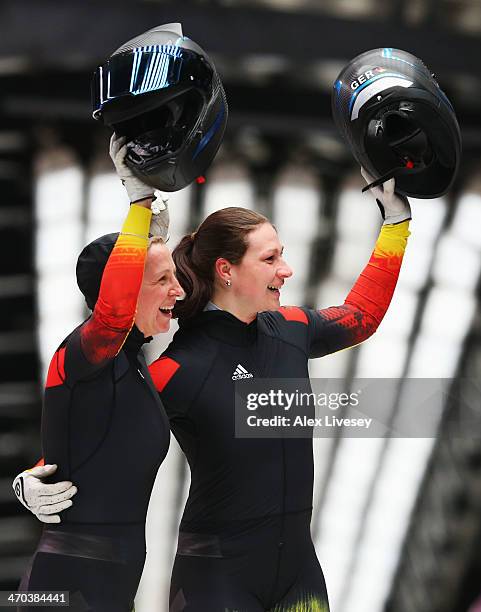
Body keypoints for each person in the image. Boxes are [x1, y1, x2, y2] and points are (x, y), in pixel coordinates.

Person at [16, 171, 411, 611]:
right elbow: (101, 436)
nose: (287, 269)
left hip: (299, 572)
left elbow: (361, 316)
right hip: (216, 578)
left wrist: (396, 224)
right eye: (270, 259)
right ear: (226, 270)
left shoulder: (293, 329)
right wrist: (33, 477)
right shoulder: (176, 369)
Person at [13, 135, 183, 612]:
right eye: (163, 281)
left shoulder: (133, 364)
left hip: (107, 590)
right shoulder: (85, 352)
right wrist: (137, 202)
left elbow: (82, 452)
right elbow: (113, 315)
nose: (179, 291)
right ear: (123, 291)